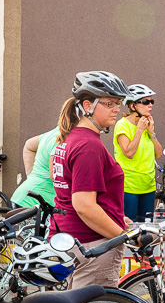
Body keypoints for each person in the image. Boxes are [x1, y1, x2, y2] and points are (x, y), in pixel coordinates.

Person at [51, 71, 131, 289]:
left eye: (119, 103)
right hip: (92, 245)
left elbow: (64, 187)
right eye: (110, 103)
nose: (117, 109)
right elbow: (84, 205)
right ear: (88, 105)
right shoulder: (89, 146)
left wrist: (118, 218)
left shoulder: (70, 138)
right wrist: (124, 236)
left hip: (70, 239)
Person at [114, 84, 162, 222]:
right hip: (129, 187)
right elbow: (129, 153)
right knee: (130, 230)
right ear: (133, 106)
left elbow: (158, 154)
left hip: (148, 185)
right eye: (145, 102)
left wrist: (151, 131)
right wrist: (140, 130)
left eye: (151, 101)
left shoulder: (147, 124)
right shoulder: (122, 125)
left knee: (146, 229)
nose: (150, 105)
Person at [10, 126, 59, 208]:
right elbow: (54, 175)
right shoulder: (62, 138)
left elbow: (29, 145)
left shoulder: (54, 133)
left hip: (26, 196)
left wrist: (31, 177)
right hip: (34, 202)